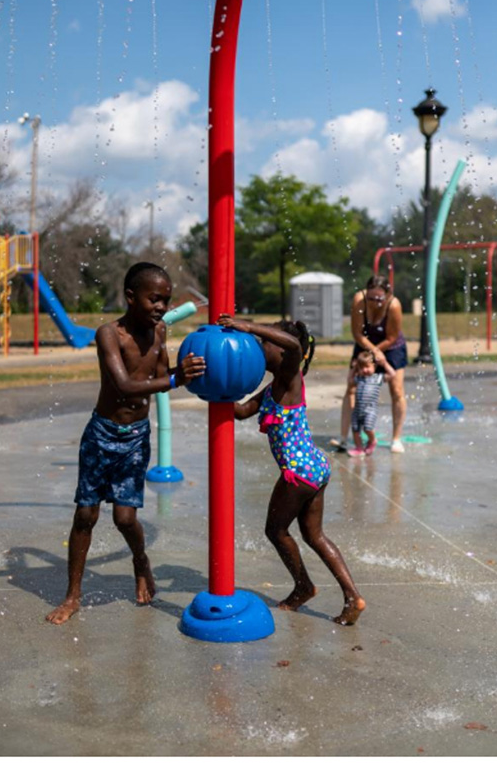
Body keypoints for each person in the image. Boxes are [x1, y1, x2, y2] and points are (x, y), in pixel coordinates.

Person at [44, 262, 206, 625]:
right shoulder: (109, 334)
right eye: (154, 299)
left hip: (135, 438)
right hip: (101, 434)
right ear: (130, 297)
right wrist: (177, 380)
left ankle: (140, 559)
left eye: (165, 300)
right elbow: (124, 385)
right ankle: (72, 596)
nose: (161, 307)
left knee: (124, 517)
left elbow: (163, 374)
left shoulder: (160, 331)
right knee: (86, 514)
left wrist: (189, 369)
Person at [222, 314, 365, 626]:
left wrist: (249, 327)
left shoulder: (291, 374)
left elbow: (293, 347)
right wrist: (216, 383)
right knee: (314, 536)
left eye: (265, 341)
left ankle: (303, 586)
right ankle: (353, 596)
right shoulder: (274, 387)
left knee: (275, 530)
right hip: (314, 467)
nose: (259, 346)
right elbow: (242, 411)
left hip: (298, 472)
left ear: (285, 350)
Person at [332, 275, 408, 453]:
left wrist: (379, 354)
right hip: (365, 344)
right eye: (371, 298)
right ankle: (344, 438)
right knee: (351, 387)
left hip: (391, 346)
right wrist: (372, 353)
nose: (375, 302)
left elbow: (391, 337)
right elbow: (357, 334)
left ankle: (396, 439)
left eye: (379, 298)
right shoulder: (360, 301)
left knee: (396, 389)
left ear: (388, 295)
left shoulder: (393, 305)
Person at [348, 350, 390, 457]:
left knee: (368, 428)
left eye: (367, 367)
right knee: (355, 429)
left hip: (370, 410)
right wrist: (354, 369)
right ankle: (359, 448)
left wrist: (385, 364)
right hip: (357, 410)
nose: (365, 370)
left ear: (374, 366)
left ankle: (373, 440)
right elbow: (350, 380)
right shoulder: (359, 378)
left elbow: (392, 374)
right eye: (361, 368)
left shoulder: (377, 378)